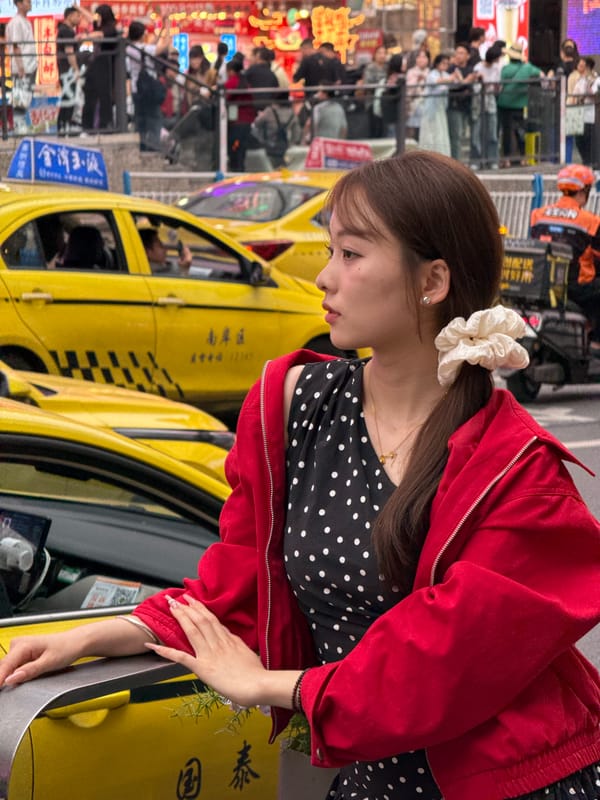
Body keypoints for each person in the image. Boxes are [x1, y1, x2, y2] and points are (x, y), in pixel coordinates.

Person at [2, 151, 600, 800]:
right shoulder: (295, 404)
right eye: (329, 249)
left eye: (351, 254)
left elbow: (448, 659)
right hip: (364, 779)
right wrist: (108, 632)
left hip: (509, 783)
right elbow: (243, 579)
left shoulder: (518, 466)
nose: (323, 278)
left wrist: (271, 685)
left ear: (432, 281)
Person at [530, 164, 600, 357]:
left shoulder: (538, 215)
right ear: (584, 190)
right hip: (575, 287)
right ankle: (596, 342)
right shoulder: (590, 222)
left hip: (542, 284)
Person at [126, 17, 170, 151]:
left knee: (140, 121)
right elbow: (163, 46)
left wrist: (161, 30)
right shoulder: (144, 49)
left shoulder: (128, 48)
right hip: (149, 90)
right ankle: (154, 148)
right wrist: (168, 28)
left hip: (136, 90)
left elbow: (151, 44)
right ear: (141, 34)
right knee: (154, 120)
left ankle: (142, 147)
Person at [497, 42, 543, 168]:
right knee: (521, 131)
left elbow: (499, 84)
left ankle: (506, 159)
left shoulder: (505, 69)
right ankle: (523, 157)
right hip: (521, 104)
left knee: (507, 132)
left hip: (504, 103)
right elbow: (541, 75)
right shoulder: (528, 68)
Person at [81, 3, 119, 132]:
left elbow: (100, 35)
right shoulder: (100, 26)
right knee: (90, 96)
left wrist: (85, 36)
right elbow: (91, 19)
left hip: (106, 67)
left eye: (99, 16)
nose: (96, 18)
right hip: (95, 66)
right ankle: (87, 126)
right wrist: (78, 7)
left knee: (104, 98)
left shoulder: (111, 29)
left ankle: (105, 125)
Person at [56, 5, 91, 135]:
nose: (79, 18)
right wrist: (76, 70)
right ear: (70, 16)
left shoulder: (64, 30)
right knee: (69, 99)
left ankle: (63, 126)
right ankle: (64, 126)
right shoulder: (67, 31)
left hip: (64, 69)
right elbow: (69, 52)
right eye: (77, 16)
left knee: (67, 98)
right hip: (68, 70)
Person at [6, 0, 37, 131]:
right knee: (20, 99)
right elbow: (16, 45)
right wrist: (20, 67)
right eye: (27, 1)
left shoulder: (26, 21)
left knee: (26, 98)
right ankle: (19, 129)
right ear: (19, 4)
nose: (30, 3)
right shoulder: (16, 22)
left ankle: (21, 127)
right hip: (22, 68)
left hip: (30, 66)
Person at [472, 42, 503, 168]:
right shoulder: (478, 67)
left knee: (492, 133)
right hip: (478, 101)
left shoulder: (496, 68)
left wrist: (496, 87)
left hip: (490, 100)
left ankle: (492, 160)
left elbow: (498, 86)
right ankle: (476, 160)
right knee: (476, 133)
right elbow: (475, 87)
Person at [446, 43, 478, 163]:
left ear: (468, 56)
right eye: (457, 53)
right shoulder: (451, 69)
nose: (458, 56)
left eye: (461, 53)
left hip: (469, 105)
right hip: (454, 106)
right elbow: (451, 85)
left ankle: (473, 161)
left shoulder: (471, 69)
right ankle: (457, 162)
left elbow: (472, 84)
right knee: (456, 136)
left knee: (472, 136)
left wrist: (463, 82)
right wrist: (464, 82)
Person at [250, 91, 301, 168]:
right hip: (285, 146)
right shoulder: (291, 113)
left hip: (269, 145)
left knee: (271, 167)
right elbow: (297, 132)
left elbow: (256, 124)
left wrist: (261, 139)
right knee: (283, 166)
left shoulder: (269, 111)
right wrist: (291, 143)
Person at [418, 52, 453, 156]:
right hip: (430, 109)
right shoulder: (432, 74)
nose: (445, 65)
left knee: (441, 131)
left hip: (441, 108)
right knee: (430, 132)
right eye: (443, 63)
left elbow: (456, 82)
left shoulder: (446, 75)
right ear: (437, 63)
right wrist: (450, 79)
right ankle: (428, 156)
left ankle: (442, 155)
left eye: (447, 64)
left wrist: (456, 77)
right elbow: (436, 81)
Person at [405, 48, 430, 141]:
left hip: (428, 107)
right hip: (414, 107)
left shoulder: (431, 72)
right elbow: (408, 91)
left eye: (424, 57)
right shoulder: (411, 72)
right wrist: (417, 81)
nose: (421, 59)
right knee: (414, 134)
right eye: (419, 57)